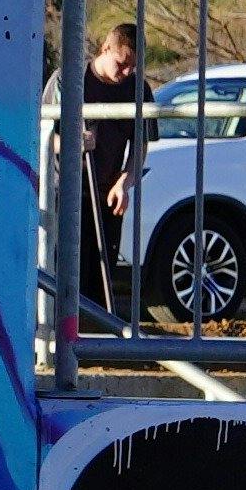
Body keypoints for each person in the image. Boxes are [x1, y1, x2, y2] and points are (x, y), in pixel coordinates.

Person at [70, 17, 147, 316]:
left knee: (103, 269)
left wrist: (124, 183)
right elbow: (44, 135)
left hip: (107, 193)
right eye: (122, 63)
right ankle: (63, 335)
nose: (126, 73)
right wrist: (73, 142)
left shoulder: (137, 89)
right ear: (105, 49)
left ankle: (98, 337)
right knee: (71, 266)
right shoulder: (70, 80)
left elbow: (141, 146)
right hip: (69, 191)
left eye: (133, 67)